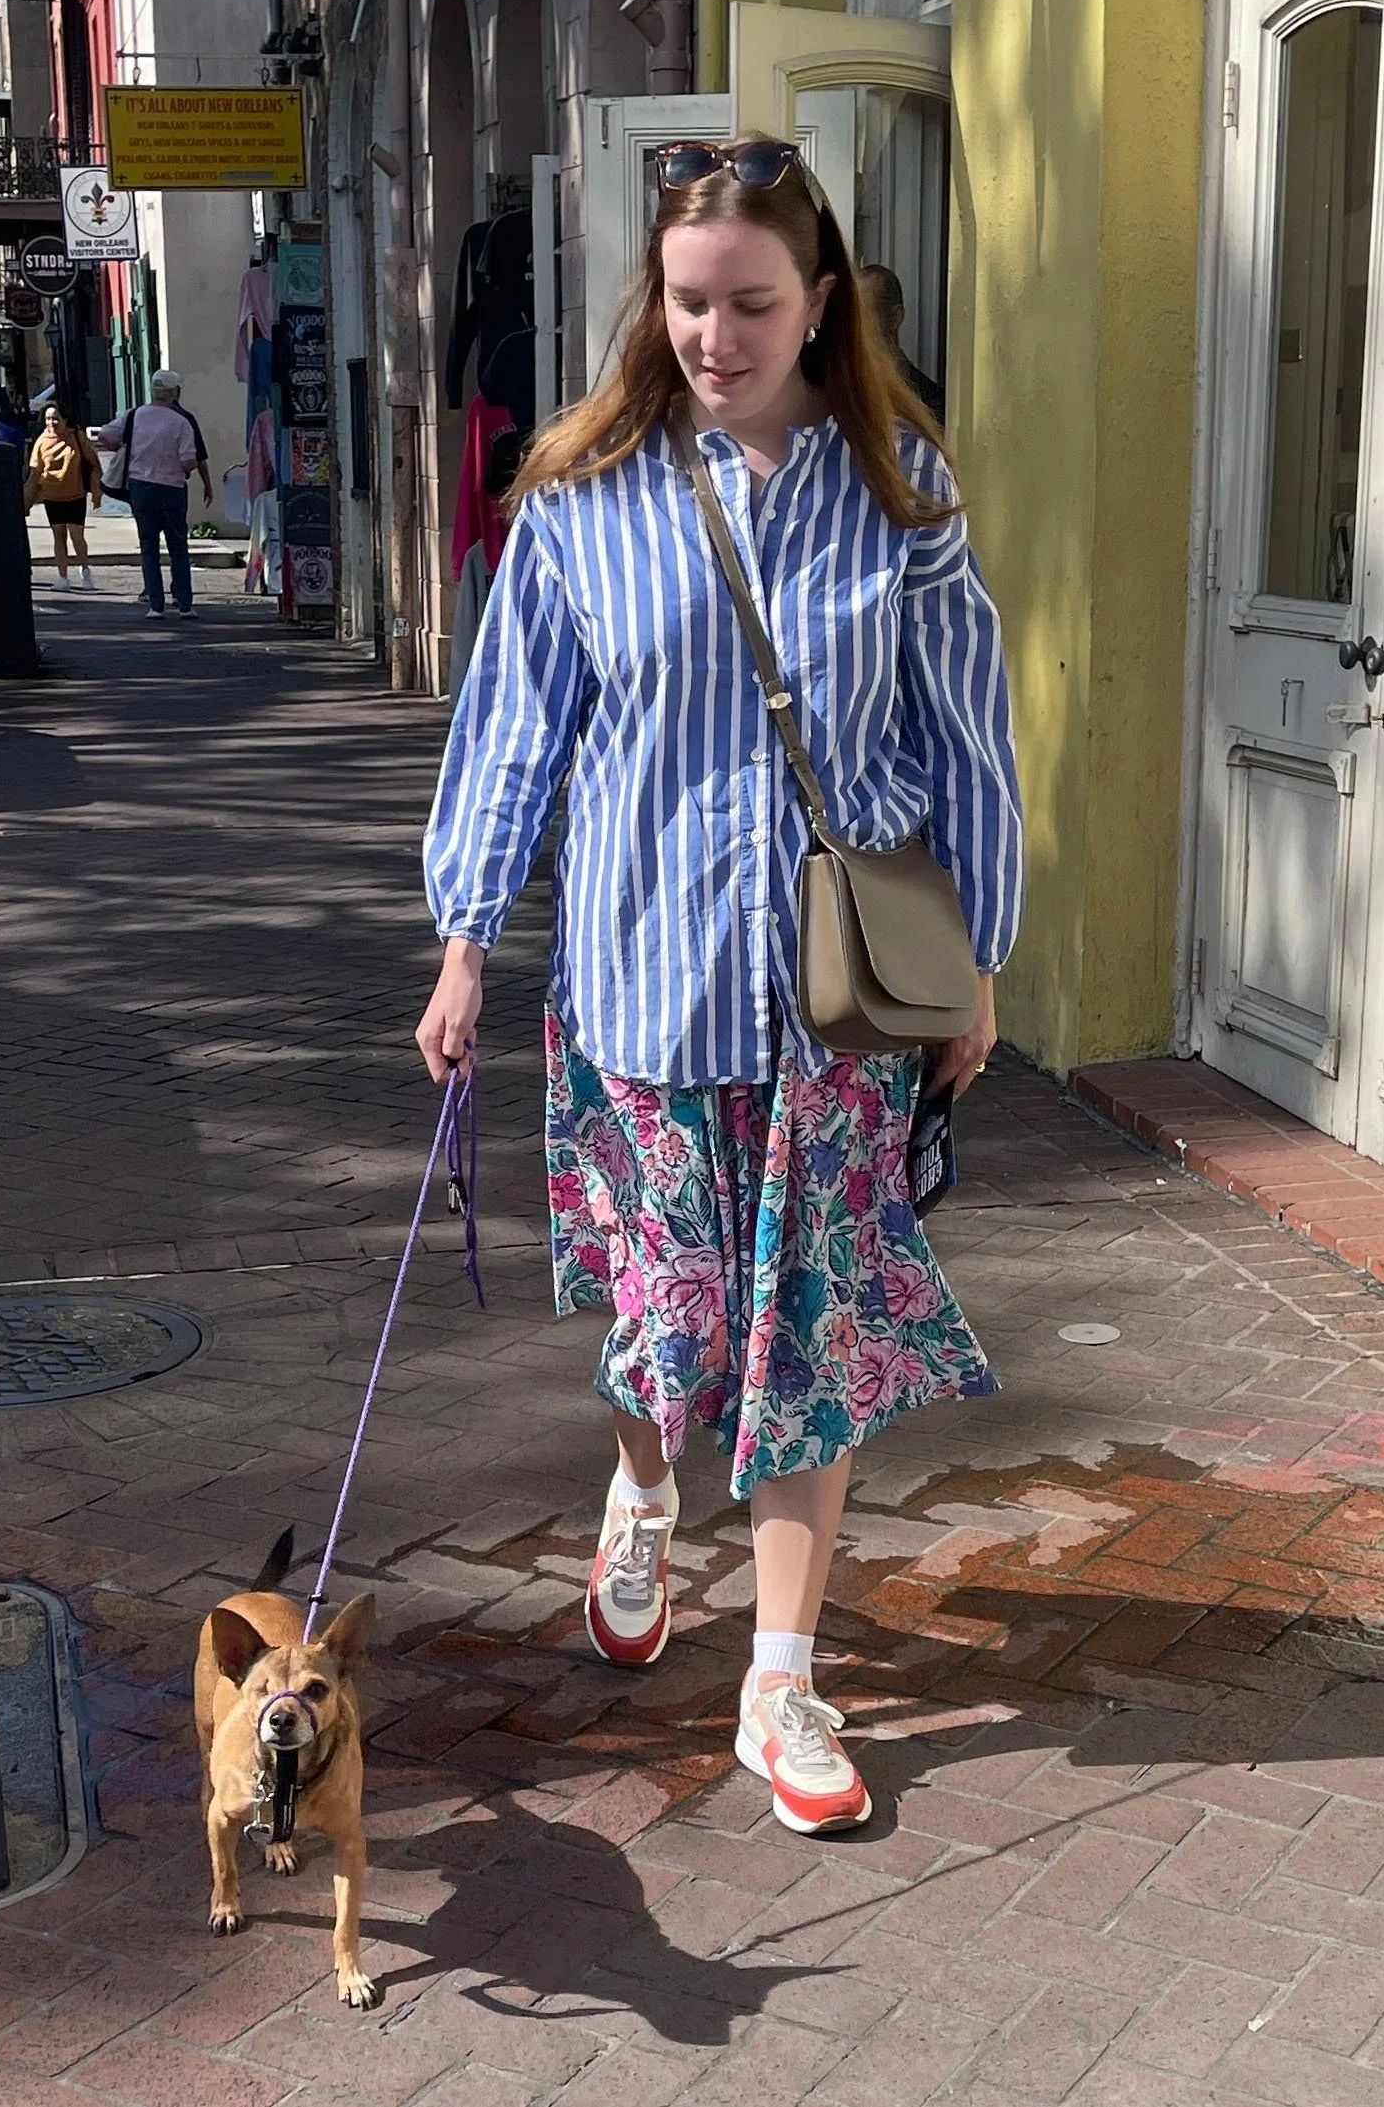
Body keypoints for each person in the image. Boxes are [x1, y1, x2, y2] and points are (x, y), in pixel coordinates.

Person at [417, 135, 1024, 1836]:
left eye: (752, 303)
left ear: (819, 302)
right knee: (658, 1326)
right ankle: (636, 1494)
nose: (715, 335)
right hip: (642, 991)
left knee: (803, 1339)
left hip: (832, 1012)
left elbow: (959, 725)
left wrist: (975, 959)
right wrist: (467, 934)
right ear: (654, 302)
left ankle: (779, 1674)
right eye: (688, 302)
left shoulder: (898, 480)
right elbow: (514, 729)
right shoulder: (582, 492)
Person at [94, 369, 212, 621]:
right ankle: (184, 604)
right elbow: (189, 461)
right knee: (178, 545)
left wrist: (122, 447)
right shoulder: (181, 422)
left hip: (140, 486)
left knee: (149, 546)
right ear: (175, 393)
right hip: (171, 489)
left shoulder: (135, 415)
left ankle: (155, 606)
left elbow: (105, 435)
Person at [24, 400, 102, 587]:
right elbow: (35, 473)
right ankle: (62, 577)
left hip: (76, 494)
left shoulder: (76, 436)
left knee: (76, 535)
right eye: (48, 419)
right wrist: (26, 499)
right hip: (52, 496)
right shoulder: (41, 442)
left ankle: (85, 569)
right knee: (58, 535)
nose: (51, 423)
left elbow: (93, 463)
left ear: (65, 419)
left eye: (55, 419)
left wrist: (96, 491)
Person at [857, 264, 946, 423]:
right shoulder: (838, 392)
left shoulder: (929, 403)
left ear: (895, 317)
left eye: (865, 312)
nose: (854, 325)